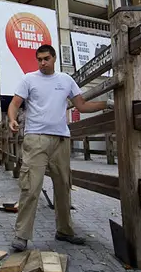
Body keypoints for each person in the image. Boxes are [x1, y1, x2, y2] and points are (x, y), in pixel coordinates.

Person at [8, 44, 111, 252]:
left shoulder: (66, 80)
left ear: (54, 58)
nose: (42, 62)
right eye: (39, 59)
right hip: (35, 139)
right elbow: (15, 103)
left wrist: (106, 104)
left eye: (46, 58)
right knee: (31, 187)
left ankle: (64, 231)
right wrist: (11, 119)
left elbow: (81, 105)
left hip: (61, 140)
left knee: (63, 186)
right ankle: (21, 235)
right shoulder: (29, 79)